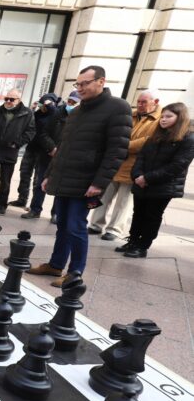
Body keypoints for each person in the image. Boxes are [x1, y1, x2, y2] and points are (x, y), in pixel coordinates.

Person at [28, 65, 131, 287]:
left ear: (101, 82)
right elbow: (63, 147)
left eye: (85, 83)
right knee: (63, 224)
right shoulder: (78, 110)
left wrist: (99, 182)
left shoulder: (117, 108)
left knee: (76, 226)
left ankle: (75, 273)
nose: (80, 88)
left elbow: (117, 150)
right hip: (65, 176)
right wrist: (50, 175)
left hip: (86, 180)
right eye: (78, 84)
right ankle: (56, 265)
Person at [121, 103, 194, 258]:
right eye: (162, 116)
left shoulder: (188, 139)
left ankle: (142, 246)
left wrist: (147, 178)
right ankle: (133, 241)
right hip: (142, 182)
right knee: (138, 213)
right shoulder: (156, 135)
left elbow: (177, 165)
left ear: (180, 118)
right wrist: (137, 175)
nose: (163, 119)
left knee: (152, 216)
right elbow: (141, 156)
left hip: (163, 186)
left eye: (169, 116)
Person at [88, 90, 161, 242]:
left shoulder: (159, 119)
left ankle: (114, 229)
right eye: (139, 102)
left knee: (123, 201)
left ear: (155, 102)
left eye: (144, 102)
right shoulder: (131, 114)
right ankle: (95, 224)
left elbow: (147, 140)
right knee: (104, 195)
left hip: (133, 166)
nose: (140, 105)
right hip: (115, 162)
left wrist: (123, 145)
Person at [23, 91, 77, 221]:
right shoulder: (57, 113)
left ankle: (56, 213)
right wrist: (52, 147)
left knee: (60, 187)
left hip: (66, 157)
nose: (70, 105)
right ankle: (35, 209)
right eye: (69, 101)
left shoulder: (81, 117)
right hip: (48, 154)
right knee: (40, 183)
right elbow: (43, 132)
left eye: (74, 103)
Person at [10, 93, 59, 209]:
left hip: (43, 152)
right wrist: (32, 109)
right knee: (24, 174)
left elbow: (55, 114)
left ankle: (34, 206)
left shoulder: (55, 115)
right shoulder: (37, 114)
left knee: (38, 180)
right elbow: (26, 124)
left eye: (46, 104)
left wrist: (50, 106)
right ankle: (22, 199)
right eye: (42, 103)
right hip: (31, 148)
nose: (43, 106)